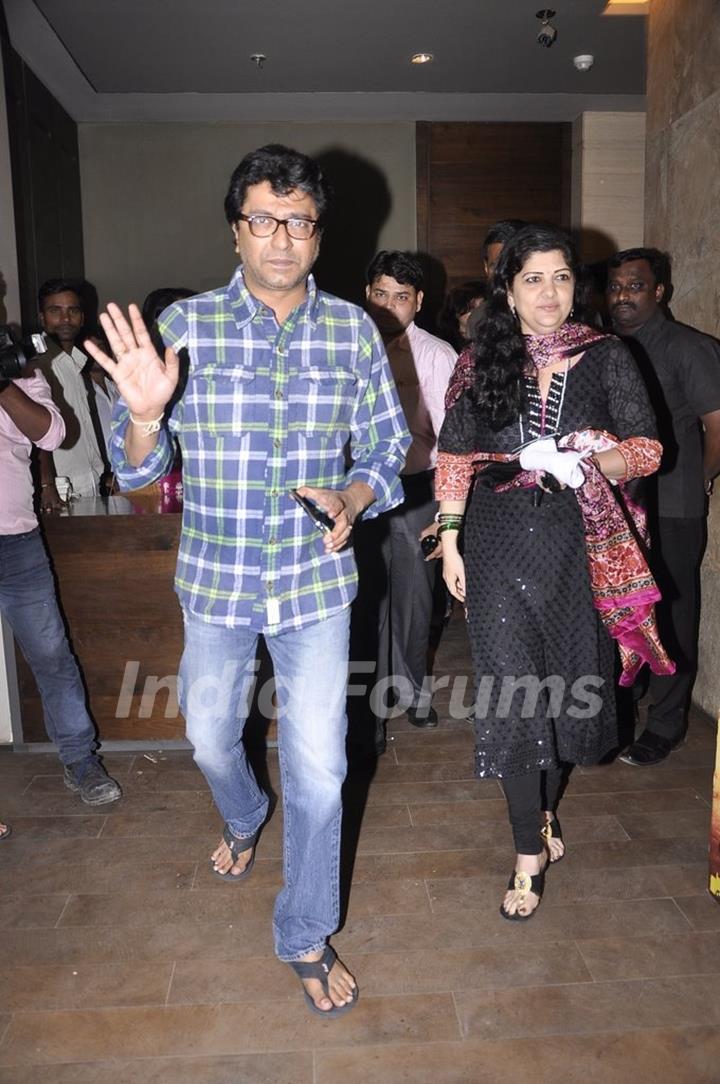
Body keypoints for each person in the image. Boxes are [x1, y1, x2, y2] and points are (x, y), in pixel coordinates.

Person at [85, 144, 410, 1015]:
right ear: (236, 231)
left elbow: (389, 448)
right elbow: (135, 471)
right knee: (207, 738)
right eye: (263, 220)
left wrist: (355, 493)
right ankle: (240, 814)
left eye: (299, 222)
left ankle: (304, 929)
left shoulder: (352, 331)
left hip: (314, 586)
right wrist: (146, 418)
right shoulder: (185, 326)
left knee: (320, 768)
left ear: (318, 234)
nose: (281, 239)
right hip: (219, 584)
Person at [436, 224, 671, 920]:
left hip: (579, 545)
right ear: (507, 289)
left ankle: (545, 804)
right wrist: (450, 541)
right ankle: (526, 849)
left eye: (562, 277)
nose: (549, 292)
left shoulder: (609, 357)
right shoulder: (480, 360)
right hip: (498, 541)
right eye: (533, 278)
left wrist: (589, 462)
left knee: (568, 686)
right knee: (512, 691)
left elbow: (651, 449)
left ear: (578, 284)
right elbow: (454, 457)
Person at [607, 247, 720, 765]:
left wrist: (697, 481)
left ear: (659, 291)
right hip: (619, 507)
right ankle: (618, 713)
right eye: (615, 287)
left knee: (672, 614)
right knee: (624, 612)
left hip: (673, 506)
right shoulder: (607, 349)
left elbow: (717, 427)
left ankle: (667, 724)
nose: (622, 296)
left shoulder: (687, 347)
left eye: (634, 285)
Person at [0, 361, 122, 805]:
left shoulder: (23, 374)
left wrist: (3, 384)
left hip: (16, 545)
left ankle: (80, 761)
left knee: (52, 656)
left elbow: (51, 435)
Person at [364, 250, 457, 728]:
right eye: (380, 294)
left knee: (416, 598)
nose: (389, 305)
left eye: (401, 297)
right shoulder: (349, 348)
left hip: (417, 490)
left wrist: (448, 512)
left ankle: (413, 691)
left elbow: (454, 441)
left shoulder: (438, 355)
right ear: (367, 295)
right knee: (367, 600)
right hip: (358, 493)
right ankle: (371, 708)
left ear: (418, 302)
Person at [35, 280, 110, 507]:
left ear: (82, 318)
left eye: (73, 311)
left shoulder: (77, 361)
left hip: (91, 484)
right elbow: (35, 432)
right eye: (55, 311)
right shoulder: (37, 363)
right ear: (42, 318)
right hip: (62, 491)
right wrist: (47, 485)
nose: (65, 319)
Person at [437, 281, 487, 352]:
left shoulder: (491, 340)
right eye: (471, 308)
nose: (477, 312)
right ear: (456, 312)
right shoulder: (444, 347)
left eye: (481, 307)